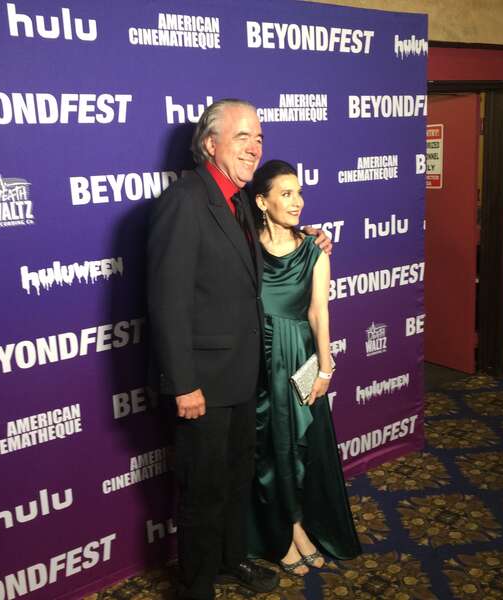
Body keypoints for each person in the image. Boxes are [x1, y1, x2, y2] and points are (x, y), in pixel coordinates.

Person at [147, 100, 330, 600]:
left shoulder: (243, 201)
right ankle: (197, 585)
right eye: (242, 137)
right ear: (210, 144)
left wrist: (310, 237)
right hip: (202, 383)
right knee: (202, 490)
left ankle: (230, 561)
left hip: (244, 376)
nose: (255, 147)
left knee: (234, 481)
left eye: (260, 139)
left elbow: (268, 248)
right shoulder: (185, 201)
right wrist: (183, 384)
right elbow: (168, 303)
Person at [247, 160, 361, 575]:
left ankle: (299, 526)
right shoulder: (245, 248)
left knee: (297, 448)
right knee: (265, 451)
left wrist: (326, 370)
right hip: (255, 359)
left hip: (299, 359)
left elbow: (319, 314)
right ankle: (285, 534)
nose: (298, 202)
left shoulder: (315, 250)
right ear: (262, 201)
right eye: (286, 193)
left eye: (299, 192)